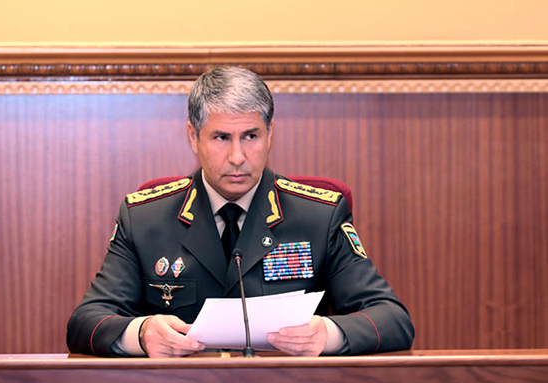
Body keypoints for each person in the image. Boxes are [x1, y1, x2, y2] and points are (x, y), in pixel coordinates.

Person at [67, 67, 414, 357]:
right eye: (221, 138)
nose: (237, 157)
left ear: (270, 133)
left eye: (251, 136)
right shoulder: (145, 218)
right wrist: (142, 333)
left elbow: (393, 319)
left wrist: (328, 333)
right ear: (193, 137)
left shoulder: (319, 216)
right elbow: (86, 321)